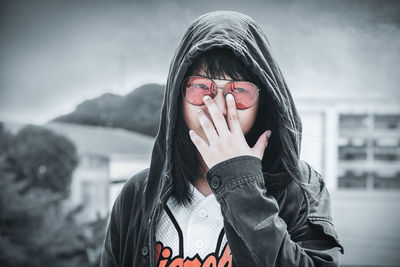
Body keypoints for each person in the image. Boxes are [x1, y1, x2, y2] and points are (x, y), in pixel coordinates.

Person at [100, 10, 344, 267]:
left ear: (264, 102)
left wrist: (242, 185)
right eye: (200, 87)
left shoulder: (301, 189)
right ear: (177, 96)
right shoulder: (138, 194)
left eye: (238, 91)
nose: (218, 105)